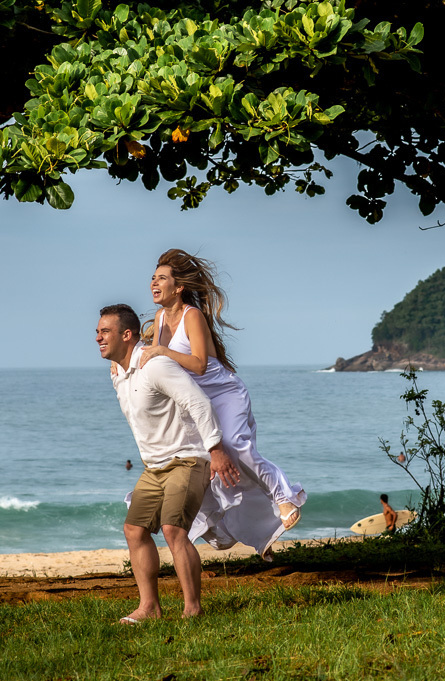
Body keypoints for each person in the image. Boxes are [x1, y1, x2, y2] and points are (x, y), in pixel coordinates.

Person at [138, 249, 306, 554]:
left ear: (179, 287)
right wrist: (122, 362)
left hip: (224, 394)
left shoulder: (193, 315)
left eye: (161, 278)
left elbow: (199, 364)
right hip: (197, 401)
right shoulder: (161, 318)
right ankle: (250, 530)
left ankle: (284, 496)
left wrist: (162, 351)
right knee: (208, 468)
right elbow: (151, 360)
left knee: (236, 447)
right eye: (152, 277)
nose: (153, 282)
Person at [97, 303, 239, 621]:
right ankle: (150, 608)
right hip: (154, 466)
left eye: (105, 331)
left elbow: (198, 402)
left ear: (127, 334)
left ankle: (193, 610)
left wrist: (216, 451)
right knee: (134, 530)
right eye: (97, 332)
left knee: (173, 529)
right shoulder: (118, 373)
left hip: (188, 459)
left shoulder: (155, 365)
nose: (98, 337)